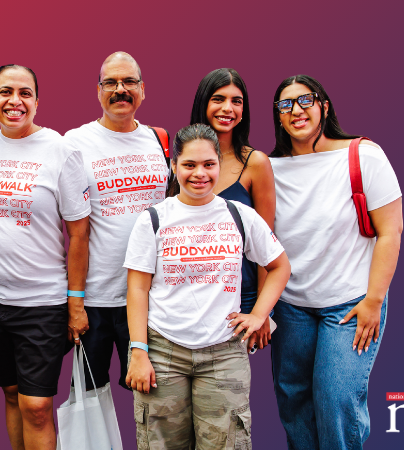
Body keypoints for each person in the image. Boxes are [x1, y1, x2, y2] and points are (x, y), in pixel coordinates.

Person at [124, 124, 291, 449]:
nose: (199, 173)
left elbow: (280, 265)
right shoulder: (154, 219)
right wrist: (139, 352)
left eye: (208, 164)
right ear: (174, 166)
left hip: (224, 354)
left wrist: (258, 315)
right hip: (163, 353)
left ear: (219, 164)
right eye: (189, 165)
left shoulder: (239, 215)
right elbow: (137, 290)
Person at [268, 74, 403, 449]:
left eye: (305, 100)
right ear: (277, 117)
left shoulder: (363, 155)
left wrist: (374, 300)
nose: (296, 110)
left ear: (324, 106)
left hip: (349, 305)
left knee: (337, 402)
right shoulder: (270, 169)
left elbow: (390, 231)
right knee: (294, 403)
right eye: (285, 104)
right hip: (291, 307)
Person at [0, 64, 91, 450]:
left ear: (37, 101)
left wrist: (76, 301)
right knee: (10, 391)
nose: (14, 101)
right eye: (4, 92)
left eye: (24, 93)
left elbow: (80, 233)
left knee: (36, 405)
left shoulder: (61, 150)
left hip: (41, 301)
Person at [64, 51, 170, 392]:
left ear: (143, 90)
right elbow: (64, 226)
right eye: (111, 82)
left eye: (129, 82)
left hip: (148, 298)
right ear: (98, 91)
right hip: (94, 298)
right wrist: (74, 301)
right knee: (89, 398)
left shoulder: (161, 140)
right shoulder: (75, 142)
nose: (120, 89)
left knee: (152, 397)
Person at [190, 68, 277, 352]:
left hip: (241, 293)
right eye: (218, 99)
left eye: (237, 101)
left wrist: (262, 311)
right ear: (203, 103)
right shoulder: (183, 159)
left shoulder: (255, 163)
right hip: (188, 292)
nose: (228, 108)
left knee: (226, 387)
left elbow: (267, 242)